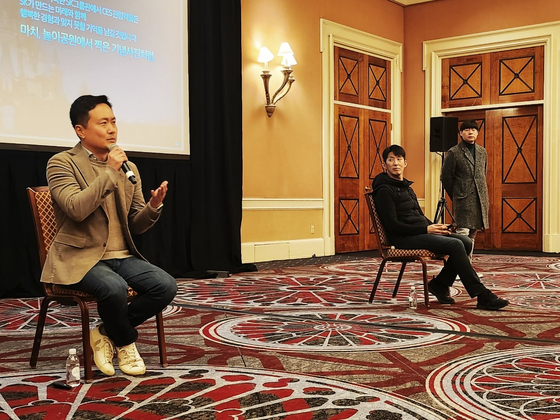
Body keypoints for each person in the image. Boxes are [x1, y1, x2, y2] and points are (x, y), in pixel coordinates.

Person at [41, 95, 177, 376]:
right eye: (103, 123)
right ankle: (126, 342)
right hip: (80, 257)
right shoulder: (61, 163)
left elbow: (137, 225)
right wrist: (109, 172)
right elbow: (77, 209)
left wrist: (153, 207)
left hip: (121, 255)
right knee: (113, 288)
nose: (112, 129)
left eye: (113, 122)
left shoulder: (130, 168)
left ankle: (105, 332)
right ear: (81, 130)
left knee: (165, 286)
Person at [372, 144, 508, 310]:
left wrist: (436, 226)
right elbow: (392, 226)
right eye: (391, 159)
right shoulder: (384, 190)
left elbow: (418, 217)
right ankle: (481, 295)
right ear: (384, 164)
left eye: (399, 159)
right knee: (456, 244)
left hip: (418, 233)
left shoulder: (406, 187)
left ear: (405, 163)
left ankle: (440, 284)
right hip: (403, 239)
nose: (395, 163)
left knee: (466, 241)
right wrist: (426, 229)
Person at [440, 120, 489, 260]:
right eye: (466, 130)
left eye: (473, 130)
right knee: (462, 233)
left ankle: (467, 265)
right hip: (463, 199)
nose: (470, 132)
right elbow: (446, 177)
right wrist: (456, 194)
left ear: (477, 133)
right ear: (461, 133)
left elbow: (482, 174)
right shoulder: (454, 152)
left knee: (473, 234)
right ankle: (459, 266)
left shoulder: (482, 151)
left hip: (480, 198)